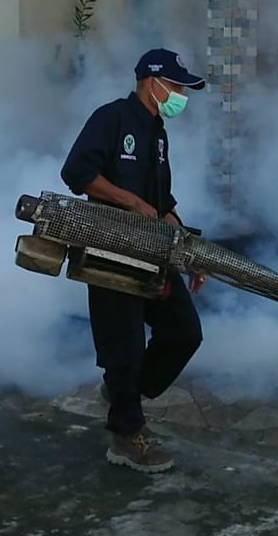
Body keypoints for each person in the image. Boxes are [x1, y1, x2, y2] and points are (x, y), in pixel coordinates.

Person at [59, 47, 209, 474]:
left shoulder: (159, 132)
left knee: (184, 332)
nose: (181, 94)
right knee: (123, 345)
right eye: (177, 85)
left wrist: (188, 250)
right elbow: (76, 173)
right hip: (109, 249)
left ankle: (124, 396)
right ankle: (126, 436)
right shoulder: (111, 119)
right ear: (152, 82)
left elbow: (163, 202)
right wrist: (130, 201)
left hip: (153, 252)